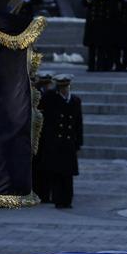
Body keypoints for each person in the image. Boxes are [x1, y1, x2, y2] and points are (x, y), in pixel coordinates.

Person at [36, 75, 83, 209]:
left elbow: (78, 124)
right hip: (54, 142)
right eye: (62, 87)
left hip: (68, 143)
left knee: (68, 174)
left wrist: (78, 142)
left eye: (66, 87)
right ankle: (58, 199)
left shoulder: (75, 101)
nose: (65, 90)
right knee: (56, 172)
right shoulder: (51, 99)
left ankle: (67, 199)